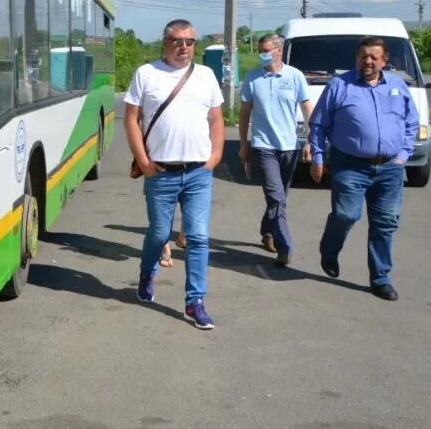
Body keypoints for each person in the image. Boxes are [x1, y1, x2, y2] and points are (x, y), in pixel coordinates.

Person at [125, 19, 224, 329]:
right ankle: (146, 272)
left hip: (198, 172)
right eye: (178, 41)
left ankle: (195, 302)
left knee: (197, 237)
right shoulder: (147, 74)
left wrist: (215, 156)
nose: (185, 47)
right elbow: (131, 120)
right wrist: (142, 161)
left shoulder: (206, 75)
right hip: (160, 172)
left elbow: (216, 119)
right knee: (158, 233)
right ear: (164, 43)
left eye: (190, 41)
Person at [308, 36, 418, 301]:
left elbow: (411, 123)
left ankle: (380, 278)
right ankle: (330, 249)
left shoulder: (397, 85)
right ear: (357, 58)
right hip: (350, 165)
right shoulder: (339, 85)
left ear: (384, 60)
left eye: (373, 57)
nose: (367, 61)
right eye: (363, 56)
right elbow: (318, 125)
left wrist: (403, 155)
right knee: (346, 214)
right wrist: (318, 158)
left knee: (385, 223)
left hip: (390, 167)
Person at [238, 33, 314, 267]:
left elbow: (307, 109)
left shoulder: (294, 76)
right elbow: (244, 113)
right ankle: (285, 246)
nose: (261, 53)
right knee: (276, 197)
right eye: (260, 49)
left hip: (289, 146)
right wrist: (244, 145)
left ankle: (267, 231)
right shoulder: (252, 78)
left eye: (265, 49)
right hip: (263, 146)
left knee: (279, 199)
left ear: (278, 51)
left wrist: (311, 141)